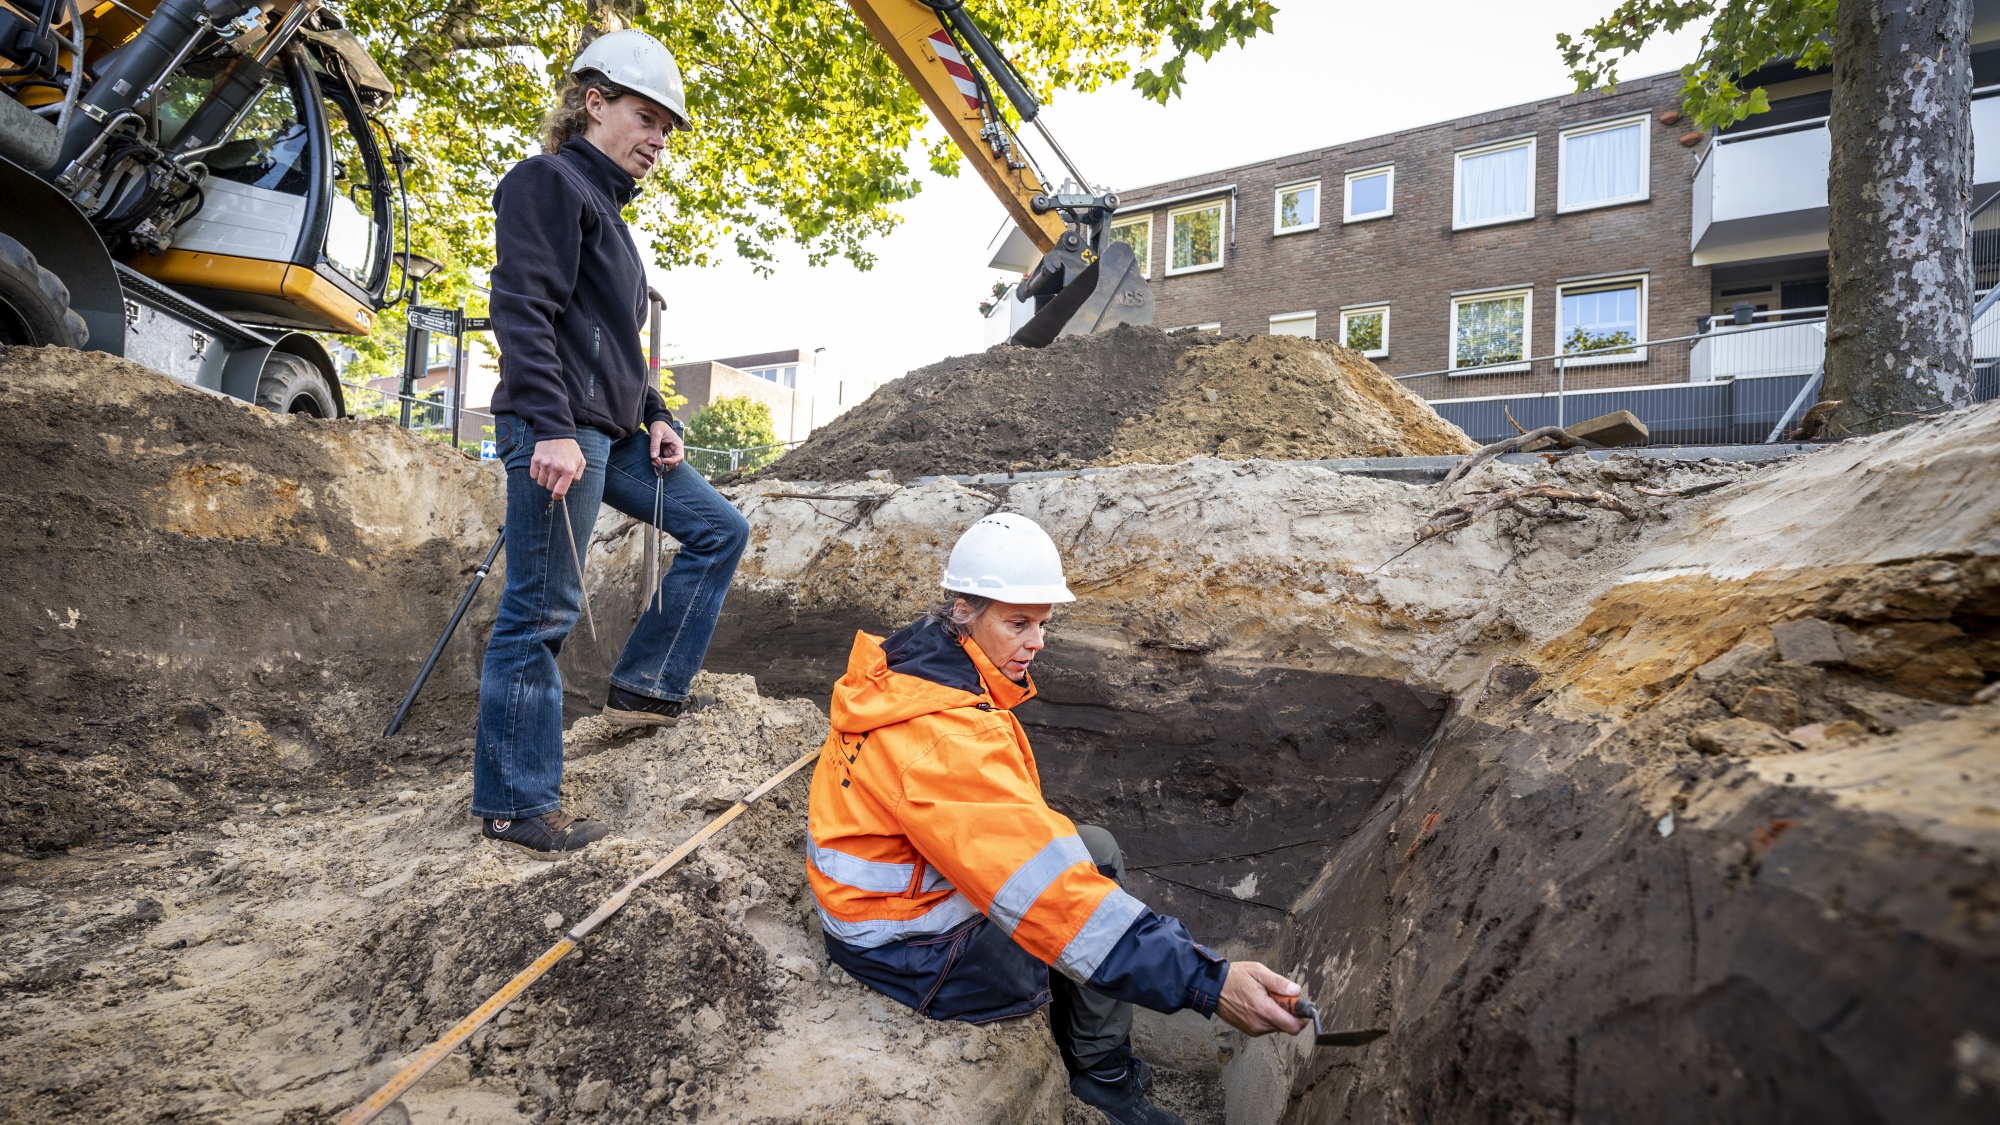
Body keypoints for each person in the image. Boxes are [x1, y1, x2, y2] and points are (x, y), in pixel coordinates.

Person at [805, 514, 1307, 1125]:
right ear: (963, 609)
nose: (1037, 640)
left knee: (1090, 847)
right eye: (1018, 623)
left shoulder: (909, 671)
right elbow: (1053, 901)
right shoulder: (942, 738)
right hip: (916, 955)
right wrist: (1208, 981)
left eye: (1042, 622)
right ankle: (1104, 1078)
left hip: (882, 916)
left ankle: (1092, 1053)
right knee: (1078, 901)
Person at [473, 30, 750, 856]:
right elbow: (523, 310)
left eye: (667, 127)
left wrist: (658, 412)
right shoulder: (544, 184)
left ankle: (647, 687)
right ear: (594, 103)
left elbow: (611, 344)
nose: (658, 140)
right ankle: (514, 805)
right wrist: (551, 427)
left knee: (718, 527)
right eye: (646, 117)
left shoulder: (611, 221)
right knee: (543, 607)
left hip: (615, 430)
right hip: (559, 428)